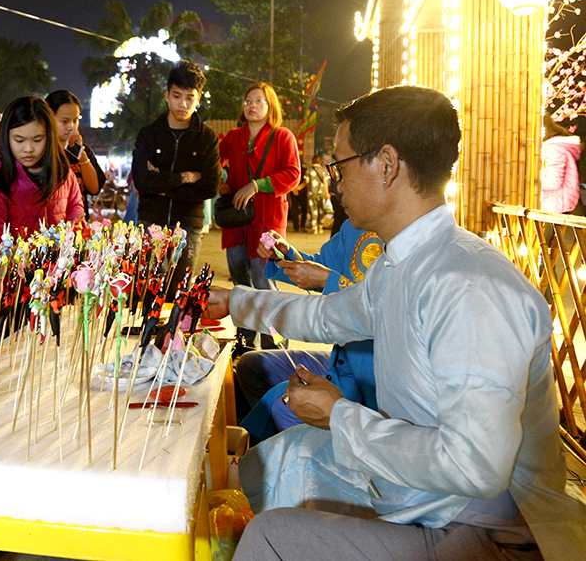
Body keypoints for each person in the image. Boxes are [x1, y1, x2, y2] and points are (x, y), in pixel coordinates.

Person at [205, 85, 586, 561]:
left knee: (270, 535)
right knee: (276, 460)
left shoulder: (469, 286)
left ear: (386, 164)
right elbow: (327, 316)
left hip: (488, 528)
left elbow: (477, 468)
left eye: (338, 166)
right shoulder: (400, 264)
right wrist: (232, 300)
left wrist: (340, 415)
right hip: (422, 492)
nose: (333, 182)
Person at [235, 220, 382, 443]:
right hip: (343, 358)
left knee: (283, 402)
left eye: (342, 182)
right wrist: (286, 256)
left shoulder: (405, 239)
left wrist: (328, 280)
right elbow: (322, 264)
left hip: (372, 372)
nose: (338, 190)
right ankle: (262, 445)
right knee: (251, 365)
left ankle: (288, 457)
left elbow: (381, 310)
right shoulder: (354, 226)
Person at [218, 82, 300, 349]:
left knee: (264, 282)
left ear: (270, 107)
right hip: (237, 223)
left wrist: (256, 184)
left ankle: (276, 344)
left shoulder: (282, 136)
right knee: (241, 284)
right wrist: (220, 180)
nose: (252, 105)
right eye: (248, 100)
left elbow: (292, 174)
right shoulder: (233, 137)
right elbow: (213, 162)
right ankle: (244, 341)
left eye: (259, 101)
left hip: (268, 224)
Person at [131, 60, 220, 293]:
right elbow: (142, 181)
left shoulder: (206, 138)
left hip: (188, 225)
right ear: (167, 95)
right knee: (146, 289)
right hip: (151, 221)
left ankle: (173, 331)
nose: (183, 104)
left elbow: (210, 187)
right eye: (177, 96)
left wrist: (161, 184)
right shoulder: (149, 134)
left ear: (198, 99)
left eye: (190, 98)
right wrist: (186, 177)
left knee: (178, 292)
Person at [0, 96, 83, 243]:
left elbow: (76, 215)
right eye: (19, 140)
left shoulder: (64, 174)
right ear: (6, 138)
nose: (28, 149)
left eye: (37, 140)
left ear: (50, 136)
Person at [46, 90, 105, 220]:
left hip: (78, 228)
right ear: (49, 118)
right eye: (64, 121)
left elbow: (94, 188)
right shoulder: (41, 151)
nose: (71, 127)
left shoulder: (84, 151)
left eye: (75, 121)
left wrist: (82, 154)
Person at [540, 118, 582, 215]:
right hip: (555, 202)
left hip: (555, 203)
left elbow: (553, 182)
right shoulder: (552, 147)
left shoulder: (553, 148)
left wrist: (529, 182)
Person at [307, 153, 329, 233]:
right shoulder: (323, 171)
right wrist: (327, 193)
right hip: (322, 193)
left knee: (313, 210)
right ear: (320, 161)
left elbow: (306, 181)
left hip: (312, 193)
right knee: (321, 210)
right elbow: (325, 182)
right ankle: (320, 227)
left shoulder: (309, 170)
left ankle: (314, 228)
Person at [289, 166, 310, 233]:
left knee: (295, 209)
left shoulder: (291, 169)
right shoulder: (304, 169)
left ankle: (296, 227)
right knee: (304, 209)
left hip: (293, 192)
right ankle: (302, 226)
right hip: (302, 192)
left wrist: (293, 189)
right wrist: (298, 188)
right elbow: (306, 182)